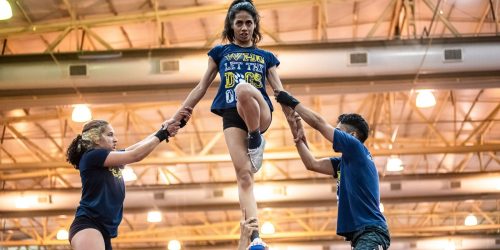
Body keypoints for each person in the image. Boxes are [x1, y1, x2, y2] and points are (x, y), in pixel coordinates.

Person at [165, 0, 286, 247]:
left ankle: (255, 138)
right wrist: (178, 115)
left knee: (242, 88)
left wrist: (296, 120)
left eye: (249, 23)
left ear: (255, 26)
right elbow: (201, 86)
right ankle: (255, 237)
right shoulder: (220, 53)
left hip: (260, 112)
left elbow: (280, 92)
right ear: (231, 25)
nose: (244, 27)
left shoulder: (266, 56)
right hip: (232, 115)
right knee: (244, 176)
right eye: (239, 22)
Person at [275, 90, 391, 249]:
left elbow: (319, 123)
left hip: (371, 232)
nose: (335, 134)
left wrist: (292, 102)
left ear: (353, 135)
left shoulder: (356, 149)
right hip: (361, 236)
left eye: (339, 131)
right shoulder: (344, 163)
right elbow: (311, 163)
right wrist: (295, 128)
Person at [66, 109, 190, 250]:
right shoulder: (92, 156)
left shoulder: (109, 159)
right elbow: (135, 155)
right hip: (89, 224)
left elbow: (137, 146)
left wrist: (164, 128)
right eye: (110, 135)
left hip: (103, 230)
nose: (116, 139)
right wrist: (163, 133)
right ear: (96, 139)